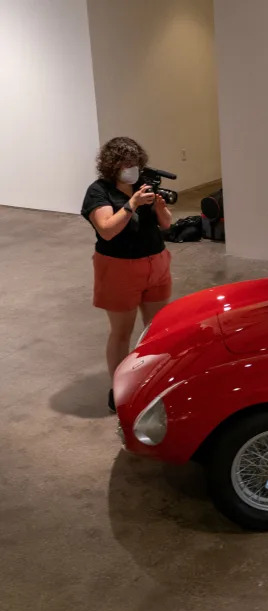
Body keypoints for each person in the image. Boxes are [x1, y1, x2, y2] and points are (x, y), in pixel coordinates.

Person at [81, 137, 174, 412]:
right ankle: (120, 389)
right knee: (122, 332)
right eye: (125, 164)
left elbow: (166, 224)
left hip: (156, 263)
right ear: (112, 166)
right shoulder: (99, 191)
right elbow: (107, 229)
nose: (132, 169)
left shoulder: (142, 184)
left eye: (135, 163)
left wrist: (158, 207)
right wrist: (131, 204)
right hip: (119, 268)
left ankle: (152, 383)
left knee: (157, 330)